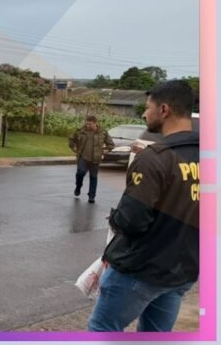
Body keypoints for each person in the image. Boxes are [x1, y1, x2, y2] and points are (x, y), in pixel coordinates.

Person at [88, 80, 199, 332]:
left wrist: (115, 218)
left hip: (142, 271)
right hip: (182, 272)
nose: (143, 113)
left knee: (102, 328)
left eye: (147, 107)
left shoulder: (154, 159)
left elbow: (133, 221)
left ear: (164, 110)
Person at [68, 115, 114, 203]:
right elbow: (71, 139)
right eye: (87, 124)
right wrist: (73, 146)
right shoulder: (80, 131)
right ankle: (78, 187)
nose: (87, 126)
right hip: (83, 157)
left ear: (95, 123)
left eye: (90, 124)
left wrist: (107, 150)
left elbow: (111, 144)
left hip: (95, 159)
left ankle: (91, 196)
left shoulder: (103, 132)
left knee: (93, 177)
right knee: (80, 174)